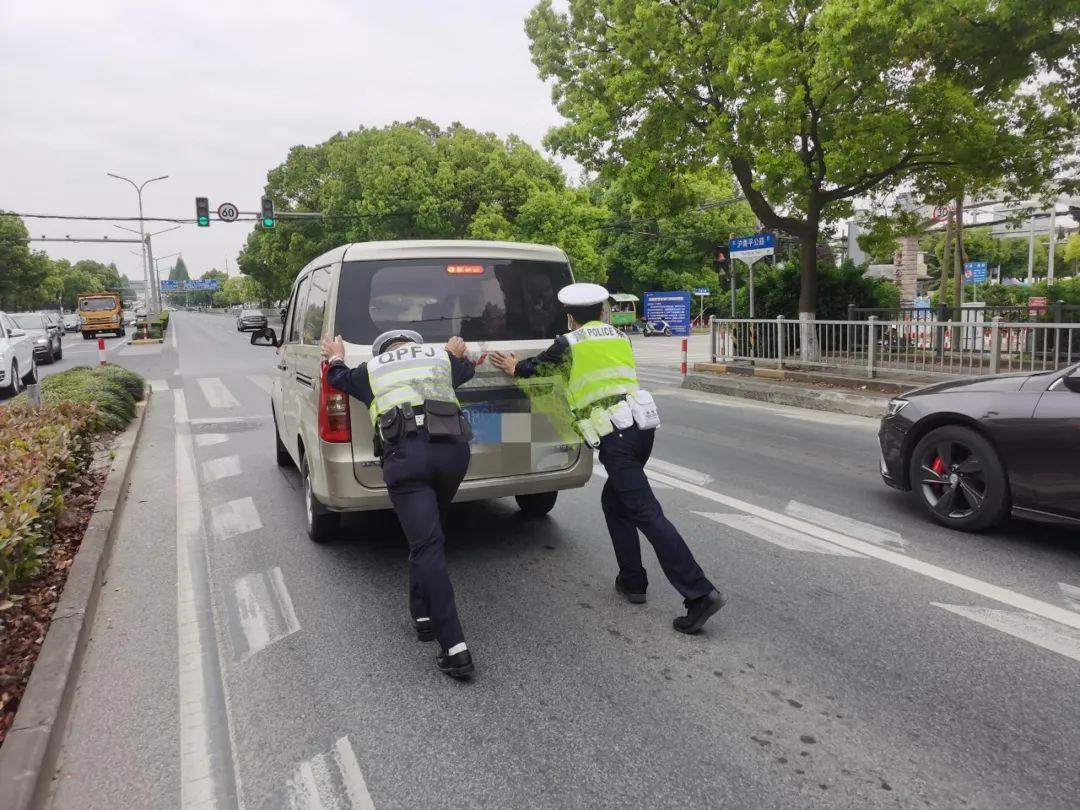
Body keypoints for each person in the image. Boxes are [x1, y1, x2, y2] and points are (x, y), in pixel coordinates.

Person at [490, 283, 725, 635]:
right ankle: (632, 580)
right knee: (614, 503)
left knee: (648, 514)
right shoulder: (619, 337)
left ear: (570, 317)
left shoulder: (567, 343)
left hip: (616, 438)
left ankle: (699, 593)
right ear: (602, 312)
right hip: (641, 430)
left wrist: (513, 366)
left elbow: (533, 369)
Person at [321, 329, 477, 678]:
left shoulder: (373, 368)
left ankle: (454, 648)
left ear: (382, 350)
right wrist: (454, 352)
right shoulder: (439, 358)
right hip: (453, 454)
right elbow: (469, 370)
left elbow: (336, 376)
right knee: (429, 538)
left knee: (426, 544)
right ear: (415, 346)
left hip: (408, 458)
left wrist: (336, 353)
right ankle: (421, 615)